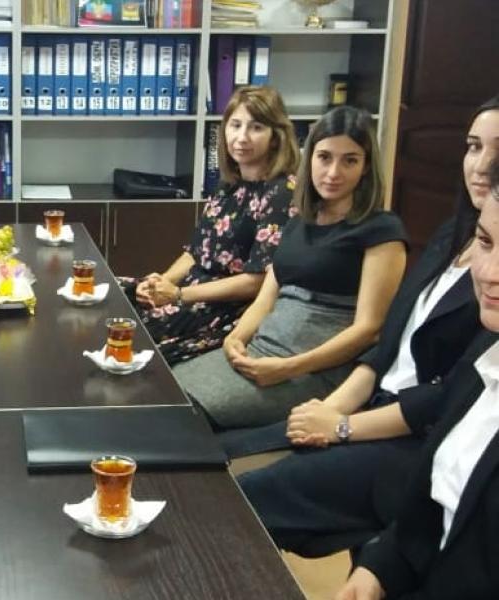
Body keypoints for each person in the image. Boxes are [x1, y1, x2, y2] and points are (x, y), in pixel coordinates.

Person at [237, 97, 499, 558]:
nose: (481, 167)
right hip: (369, 405)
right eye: (474, 146)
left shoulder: (486, 281)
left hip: (417, 440)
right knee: (224, 455)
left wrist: (341, 427)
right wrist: (329, 410)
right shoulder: (450, 236)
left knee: (244, 499)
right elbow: (387, 346)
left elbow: (450, 392)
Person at [172, 106, 408, 430]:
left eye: (349, 160)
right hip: (259, 353)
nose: (333, 172)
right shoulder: (299, 222)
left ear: (366, 167)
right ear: (310, 159)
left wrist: (287, 368)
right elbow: (266, 299)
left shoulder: (382, 231)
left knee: (182, 414)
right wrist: (235, 339)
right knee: (161, 391)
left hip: (312, 372)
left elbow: (369, 329)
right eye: (324, 157)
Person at [335, 159, 499, 600]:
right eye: (486, 242)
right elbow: (433, 510)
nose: (488, 272)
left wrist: (341, 426)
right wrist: (379, 569)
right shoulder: (484, 356)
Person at [118, 86, 299, 365]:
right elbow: (195, 252)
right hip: (189, 291)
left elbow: (259, 281)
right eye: (235, 125)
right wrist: (161, 283)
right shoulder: (231, 184)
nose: (241, 137)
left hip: (224, 307)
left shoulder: (282, 193)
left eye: (256, 128)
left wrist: (179, 295)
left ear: (276, 137)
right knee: (110, 292)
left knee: (129, 335)